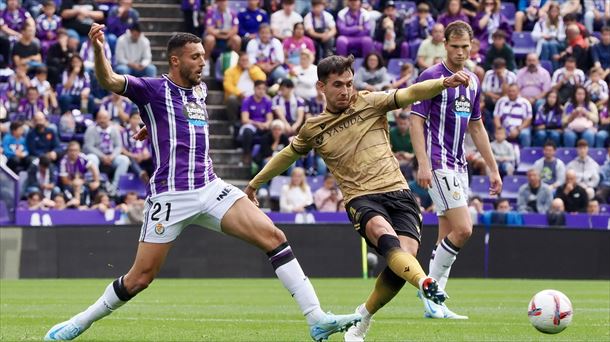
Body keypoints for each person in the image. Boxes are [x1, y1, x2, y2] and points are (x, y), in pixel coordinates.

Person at [44, 25, 362, 342]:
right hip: (171, 197)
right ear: (175, 61)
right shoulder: (153, 89)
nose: (202, 63)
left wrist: (152, 128)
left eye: (203, 57)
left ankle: (316, 319)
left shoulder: (200, 90)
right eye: (195, 57)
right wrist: (100, 50)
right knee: (139, 279)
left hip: (209, 187)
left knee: (273, 235)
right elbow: (109, 80)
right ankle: (80, 323)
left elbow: (179, 122)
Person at [245, 52, 472, 339]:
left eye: (349, 83)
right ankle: (425, 281)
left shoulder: (371, 102)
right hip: (361, 198)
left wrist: (445, 82)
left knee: (404, 257)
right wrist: (255, 183)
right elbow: (287, 155)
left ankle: (363, 316)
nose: (346, 90)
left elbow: (412, 92)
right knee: (383, 233)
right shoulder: (314, 127)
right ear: (321, 87)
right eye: (338, 85)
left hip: (399, 192)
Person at [410, 21, 502, 320]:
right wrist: (422, 162)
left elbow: (476, 126)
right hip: (438, 163)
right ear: (445, 45)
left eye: (466, 47)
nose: (461, 52)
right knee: (464, 229)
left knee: (446, 234)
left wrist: (493, 168)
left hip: (459, 165)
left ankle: (433, 304)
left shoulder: (473, 81)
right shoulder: (432, 77)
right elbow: (415, 120)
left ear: (472, 45)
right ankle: (429, 291)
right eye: (455, 46)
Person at [223, 52, 267, 124]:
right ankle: (233, 124)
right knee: (231, 99)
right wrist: (239, 93)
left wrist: (251, 70)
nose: (245, 62)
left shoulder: (254, 69)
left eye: (246, 60)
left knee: (267, 98)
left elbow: (262, 80)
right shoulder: (230, 71)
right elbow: (227, 85)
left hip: (254, 97)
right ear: (238, 61)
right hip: (239, 97)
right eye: (243, 60)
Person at [493, 83, 533, 147]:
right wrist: (500, 129)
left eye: (513, 91)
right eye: (509, 91)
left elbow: (528, 119)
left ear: (518, 92)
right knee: (498, 134)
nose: (511, 93)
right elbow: (496, 117)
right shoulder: (501, 101)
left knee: (525, 134)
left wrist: (518, 129)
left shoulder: (525, 103)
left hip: (520, 128)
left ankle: (525, 154)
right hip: (504, 128)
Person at [531, 2, 565, 67]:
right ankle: (544, 67)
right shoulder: (542, 21)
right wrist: (543, 35)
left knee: (552, 44)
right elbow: (534, 35)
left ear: (558, 12)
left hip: (558, 43)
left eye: (555, 11)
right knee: (545, 44)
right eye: (552, 11)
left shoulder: (562, 22)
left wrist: (554, 36)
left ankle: (555, 67)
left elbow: (564, 36)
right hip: (544, 42)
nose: (553, 13)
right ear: (548, 11)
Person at [390, 112, 415, 179]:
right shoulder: (392, 132)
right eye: (400, 123)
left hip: (410, 160)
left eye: (405, 124)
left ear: (409, 122)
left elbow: (417, 153)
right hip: (395, 159)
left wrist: (409, 156)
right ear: (397, 122)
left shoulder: (413, 133)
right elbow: (387, 149)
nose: (402, 126)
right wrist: (395, 155)